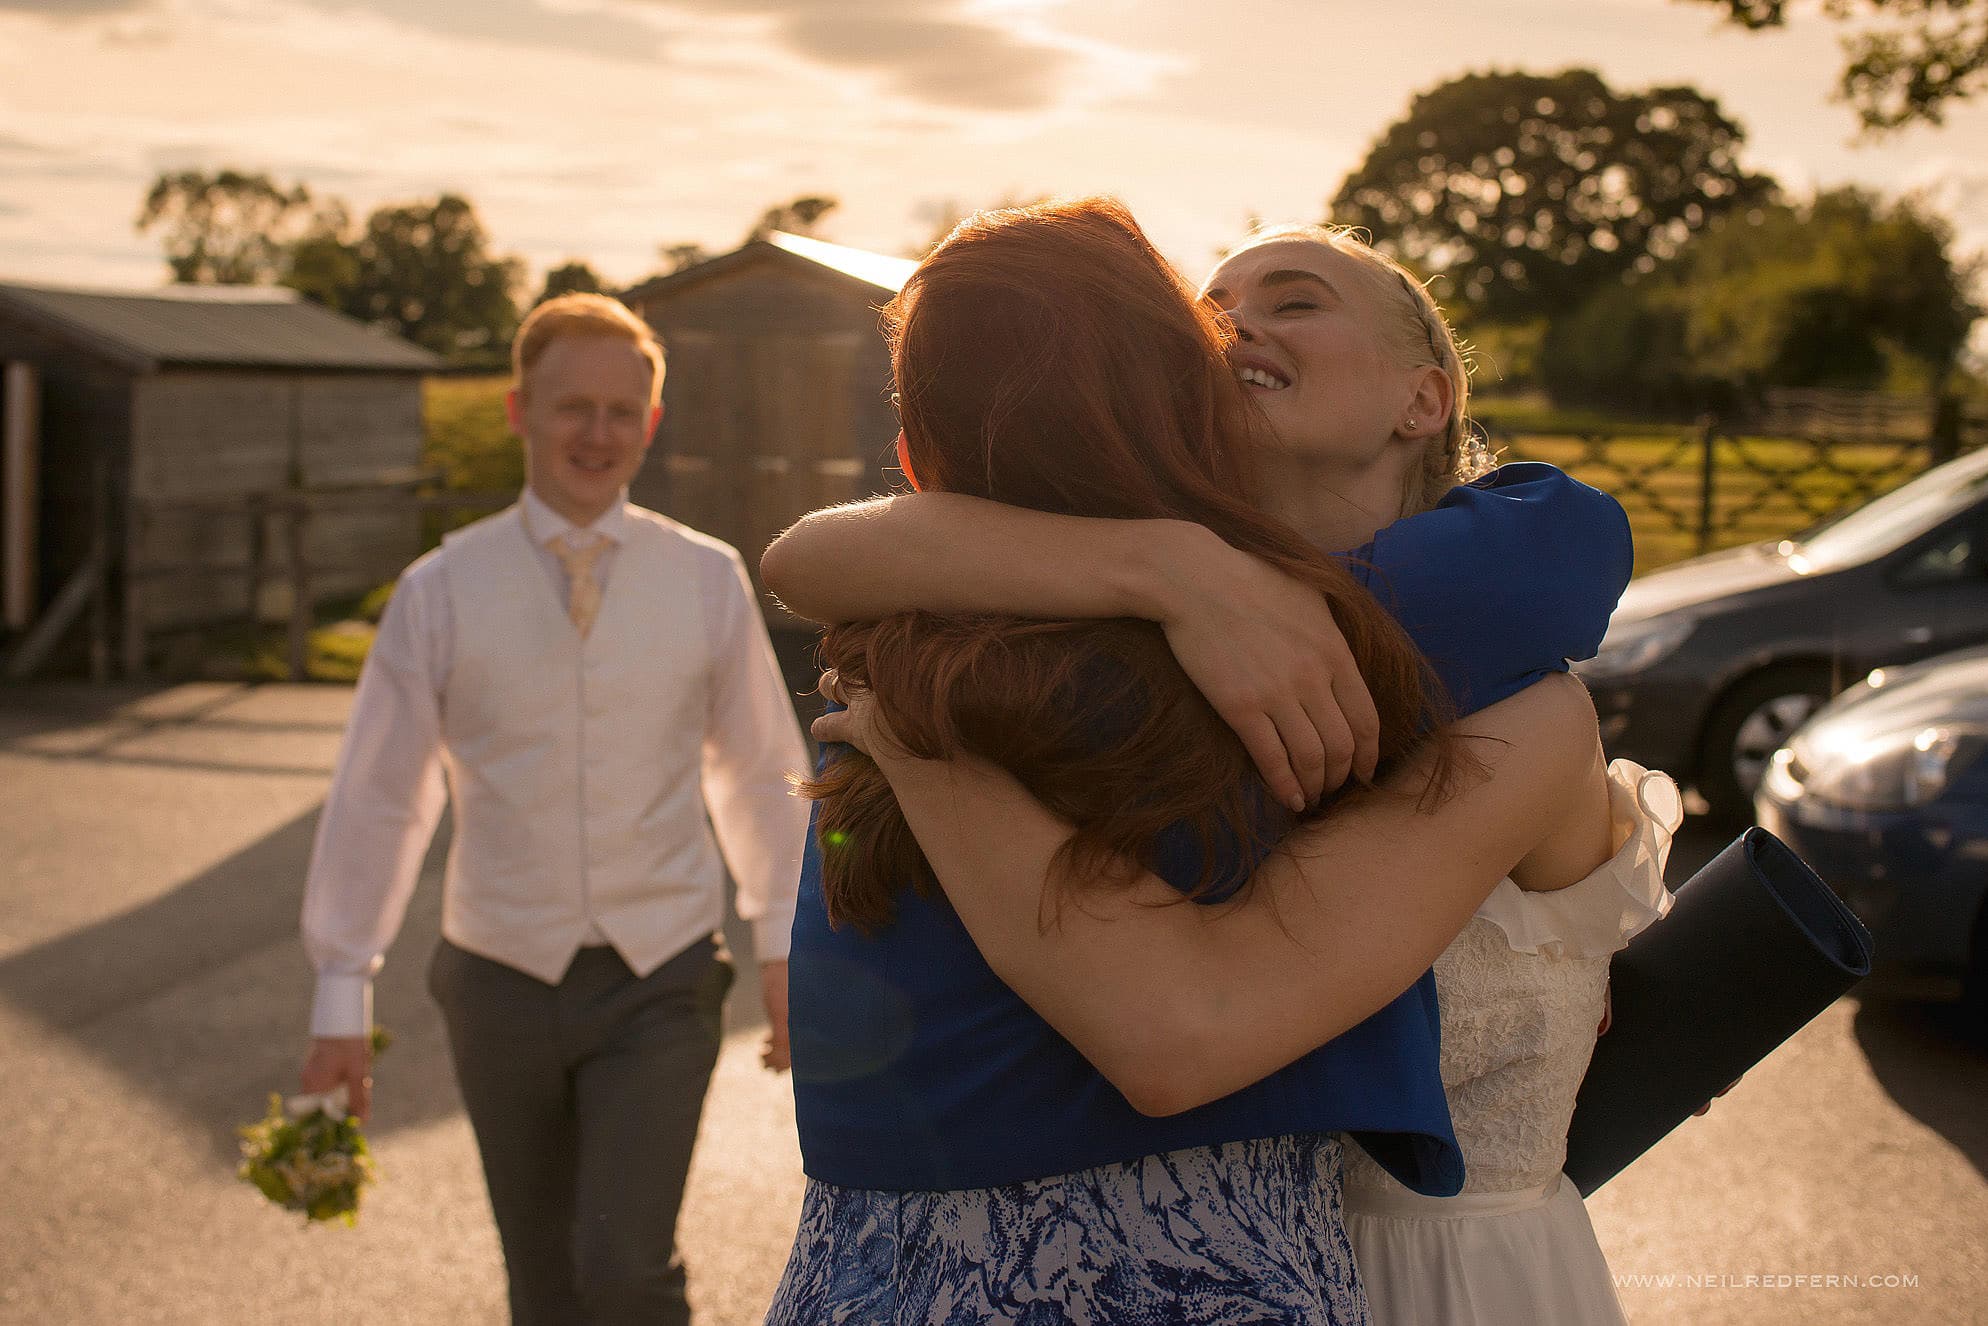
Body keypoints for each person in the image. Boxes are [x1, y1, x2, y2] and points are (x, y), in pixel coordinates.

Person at [761, 199, 1641, 1325]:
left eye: (1295, 302)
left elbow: (1570, 538)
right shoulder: (1092, 596)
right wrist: (1170, 567)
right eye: (1208, 307)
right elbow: (805, 555)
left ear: (1423, 399)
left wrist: (918, 742)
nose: (1232, 326)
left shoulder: (1479, 598)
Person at [296, 293, 810, 1326]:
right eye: (573, 406)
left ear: (650, 424)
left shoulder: (705, 578)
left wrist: (786, 945)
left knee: (624, 1270)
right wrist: (340, 995)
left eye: (622, 411)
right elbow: (380, 798)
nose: (597, 433)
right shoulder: (439, 590)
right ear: (518, 409)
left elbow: (760, 772)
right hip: (497, 982)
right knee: (542, 1285)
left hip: (661, 977)